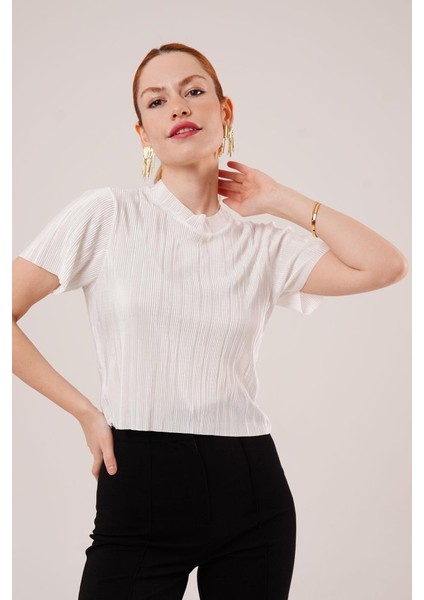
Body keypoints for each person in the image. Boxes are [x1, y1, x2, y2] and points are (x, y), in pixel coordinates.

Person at [12, 42, 408, 600]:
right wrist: (85, 413)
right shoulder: (108, 215)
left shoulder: (262, 242)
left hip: (250, 488)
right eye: (157, 101)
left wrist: (281, 199)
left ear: (224, 112)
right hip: (139, 481)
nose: (178, 107)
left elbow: (385, 266)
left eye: (193, 91)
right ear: (143, 133)